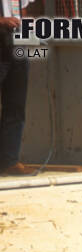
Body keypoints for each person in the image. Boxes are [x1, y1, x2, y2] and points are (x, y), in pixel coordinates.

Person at [0, 0, 33, 175]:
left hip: (16, 45)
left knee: (16, 104)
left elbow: (24, 9)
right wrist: (2, 21)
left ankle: (9, 160)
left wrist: (27, 30)